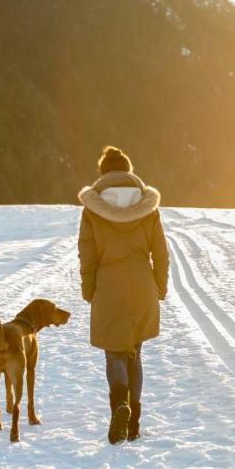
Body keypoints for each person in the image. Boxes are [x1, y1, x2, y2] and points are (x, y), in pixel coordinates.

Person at [77, 146, 169, 443]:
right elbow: (162, 253)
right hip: (143, 285)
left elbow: (86, 256)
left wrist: (89, 290)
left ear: (103, 173)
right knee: (135, 351)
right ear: (128, 171)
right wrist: (160, 287)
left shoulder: (91, 210)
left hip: (108, 284)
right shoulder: (148, 206)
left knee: (115, 352)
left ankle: (120, 406)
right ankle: (134, 424)